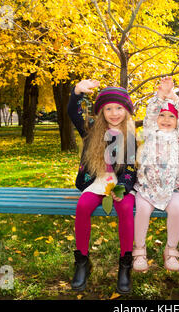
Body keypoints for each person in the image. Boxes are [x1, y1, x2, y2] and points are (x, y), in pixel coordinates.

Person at [67, 79, 137, 294]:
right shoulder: (91, 129)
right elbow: (73, 113)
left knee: (125, 208)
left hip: (121, 184)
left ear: (126, 111)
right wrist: (77, 92)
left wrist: (122, 188)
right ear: (101, 112)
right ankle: (82, 262)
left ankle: (125, 265)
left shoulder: (130, 136)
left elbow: (131, 168)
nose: (114, 113)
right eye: (108, 108)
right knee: (83, 207)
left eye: (119, 108)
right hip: (96, 182)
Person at [133, 77, 179, 272]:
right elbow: (150, 112)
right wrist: (160, 96)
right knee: (142, 211)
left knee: (176, 210)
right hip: (146, 189)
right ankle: (140, 250)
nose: (166, 120)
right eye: (162, 116)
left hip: (171, 190)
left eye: (171, 117)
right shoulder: (150, 131)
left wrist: (173, 96)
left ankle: (171, 250)